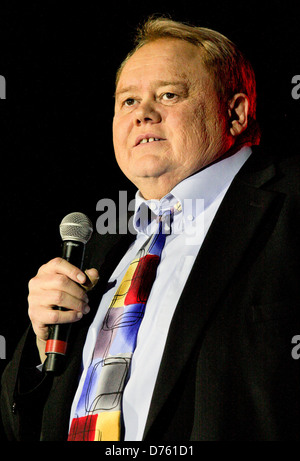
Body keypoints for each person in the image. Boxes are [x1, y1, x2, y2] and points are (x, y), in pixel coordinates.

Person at [1, 16, 300, 441]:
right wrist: (41, 342)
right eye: (127, 101)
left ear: (235, 113)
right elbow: (22, 424)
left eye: (168, 94)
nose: (142, 113)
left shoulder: (291, 205)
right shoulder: (102, 246)